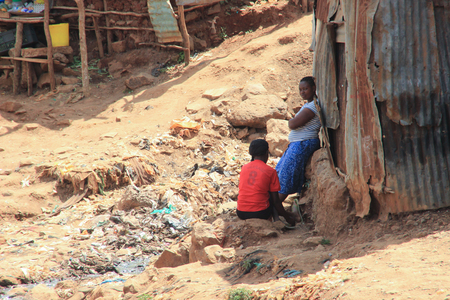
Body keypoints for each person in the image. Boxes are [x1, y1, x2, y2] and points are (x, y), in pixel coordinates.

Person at [276, 76, 321, 202]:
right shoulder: (308, 105)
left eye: (305, 89)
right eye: (300, 89)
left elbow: (292, 124)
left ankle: (275, 206)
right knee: (280, 171)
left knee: (287, 175)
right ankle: (274, 205)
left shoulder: (312, 106)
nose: (302, 92)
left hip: (303, 144)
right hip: (297, 143)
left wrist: (291, 120)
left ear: (313, 88)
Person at [237, 139, 297, 226]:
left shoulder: (244, 168)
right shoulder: (270, 171)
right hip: (260, 213)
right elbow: (276, 201)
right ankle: (277, 220)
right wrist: (288, 218)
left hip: (241, 213)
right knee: (271, 196)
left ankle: (282, 218)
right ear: (266, 153)